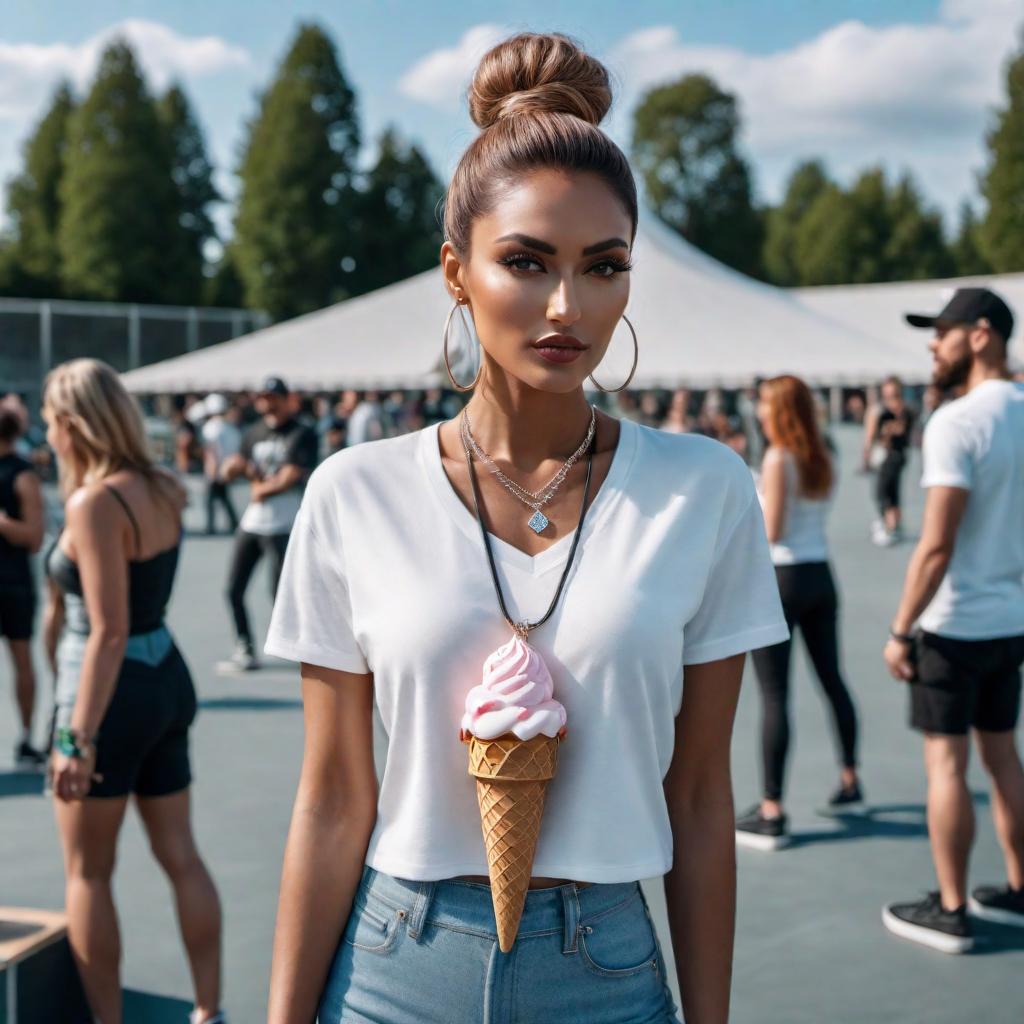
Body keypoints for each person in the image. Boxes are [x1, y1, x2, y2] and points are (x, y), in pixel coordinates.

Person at [262, 32, 788, 1024]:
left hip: (609, 968)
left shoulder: (704, 489)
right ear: (456, 272)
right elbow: (332, 799)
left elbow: (702, 797)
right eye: (525, 261)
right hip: (390, 968)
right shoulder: (352, 492)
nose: (565, 305)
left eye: (602, 266)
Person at [41, 358, 225, 1024]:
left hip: (107, 694)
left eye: (50, 422)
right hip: (165, 680)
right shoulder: (165, 486)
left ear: (72, 424)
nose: (45, 434)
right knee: (181, 854)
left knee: (88, 874)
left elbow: (108, 633)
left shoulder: (95, 504)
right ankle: (208, 1009)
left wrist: (71, 738)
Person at [882, 287, 1024, 953]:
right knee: (1004, 759)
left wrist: (900, 629)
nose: (933, 345)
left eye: (942, 331)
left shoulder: (956, 421)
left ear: (981, 335)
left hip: (953, 625)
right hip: (1008, 621)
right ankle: (1020, 892)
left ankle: (951, 908)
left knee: (947, 767)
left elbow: (936, 545)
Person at [735, 376, 862, 850]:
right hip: (820, 575)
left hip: (782, 580)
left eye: (767, 406)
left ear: (781, 410)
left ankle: (772, 809)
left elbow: (774, 530)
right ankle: (850, 776)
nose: (761, 414)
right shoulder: (823, 452)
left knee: (774, 694)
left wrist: (754, 493)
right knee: (832, 678)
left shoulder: (777, 456)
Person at [219, 377, 318, 672]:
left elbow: (289, 476)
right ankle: (244, 646)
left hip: (284, 523)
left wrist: (259, 485)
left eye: (274, 398)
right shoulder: (254, 432)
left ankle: (307, 648)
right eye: (263, 398)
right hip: (253, 522)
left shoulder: (302, 433)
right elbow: (234, 466)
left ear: (288, 399)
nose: (268, 404)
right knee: (233, 589)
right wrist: (237, 470)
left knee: (281, 593)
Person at [0, 403, 46, 768]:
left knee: (22, 660)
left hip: (13, 584)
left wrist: (3, 524)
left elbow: (34, 538)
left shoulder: (22, 475)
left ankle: (27, 738)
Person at [862, 376, 915, 547]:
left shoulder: (903, 411)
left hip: (894, 455)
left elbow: (902, 431)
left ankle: (890, 526)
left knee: (886, 492)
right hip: (886, 455)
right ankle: (890, 524)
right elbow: (872, 434)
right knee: (885, 492)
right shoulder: (881, 411)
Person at [200, 394, 241, 536]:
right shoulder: (231, 428)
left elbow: (212, 452)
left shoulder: (210, 428)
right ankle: (234, 523)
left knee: (210, 501)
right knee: (224, 498)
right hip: (227, 470)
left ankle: (211, 526)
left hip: (215, 470)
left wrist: (211, 473)